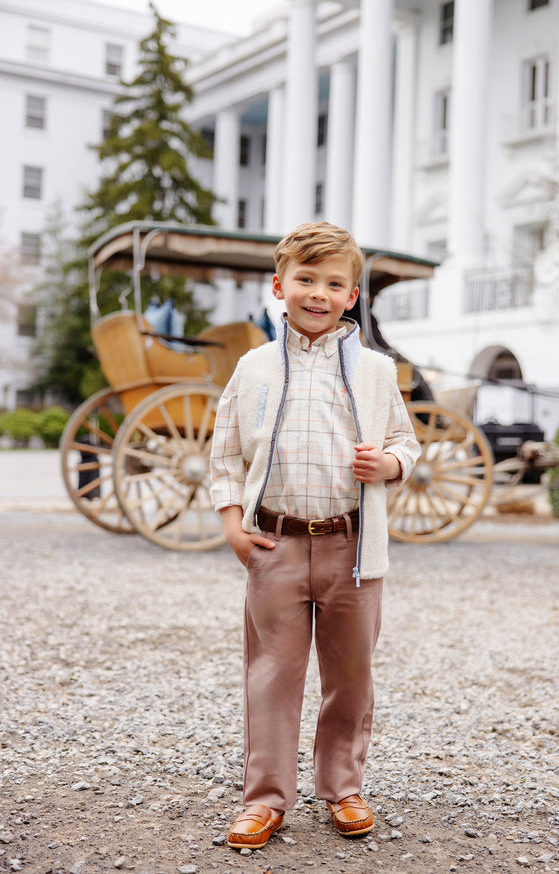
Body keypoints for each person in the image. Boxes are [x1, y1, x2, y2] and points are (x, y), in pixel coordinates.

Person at [209, 221, 421, 851]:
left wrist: (389, 465)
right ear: (280, 286)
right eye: (306, 280)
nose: (318, 294)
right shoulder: (252, 369)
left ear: (352, 295)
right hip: (273, 545)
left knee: (351, 674)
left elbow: (407, 442)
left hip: (353, 552)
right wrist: (233, 528)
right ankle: (265, 798)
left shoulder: (378, 372)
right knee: (272, 673)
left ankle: (342, 786)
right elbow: (224, 454)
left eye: (334, 283)